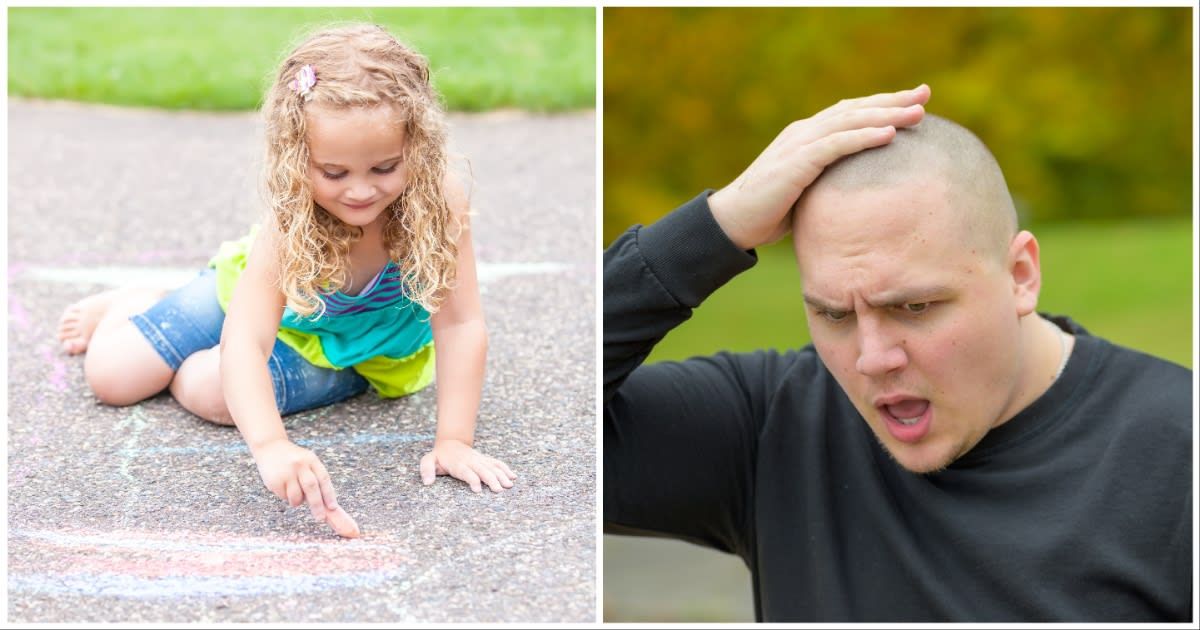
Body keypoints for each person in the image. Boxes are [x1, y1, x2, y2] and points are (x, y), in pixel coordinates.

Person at [603, 84, 1192, 621]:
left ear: (1020, 275)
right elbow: (549, 421)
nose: (872, 358)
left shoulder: (1177, 453)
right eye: (834, 314)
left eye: (913, 308)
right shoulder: (771, 426)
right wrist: (715, 228)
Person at [57, 24, 517, 539]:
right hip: (256, 300)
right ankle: (137, 302)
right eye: (334, 173)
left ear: (419, 144)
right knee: (112, 377)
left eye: (385, 166)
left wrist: (454, 439)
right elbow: (247, 339)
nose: (361, 191)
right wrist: (273, 447)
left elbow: (459, 324)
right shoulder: (294, 213)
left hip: (352, 351)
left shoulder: (438, 202)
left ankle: (189, 346)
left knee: (210, 390)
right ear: (297, 157)